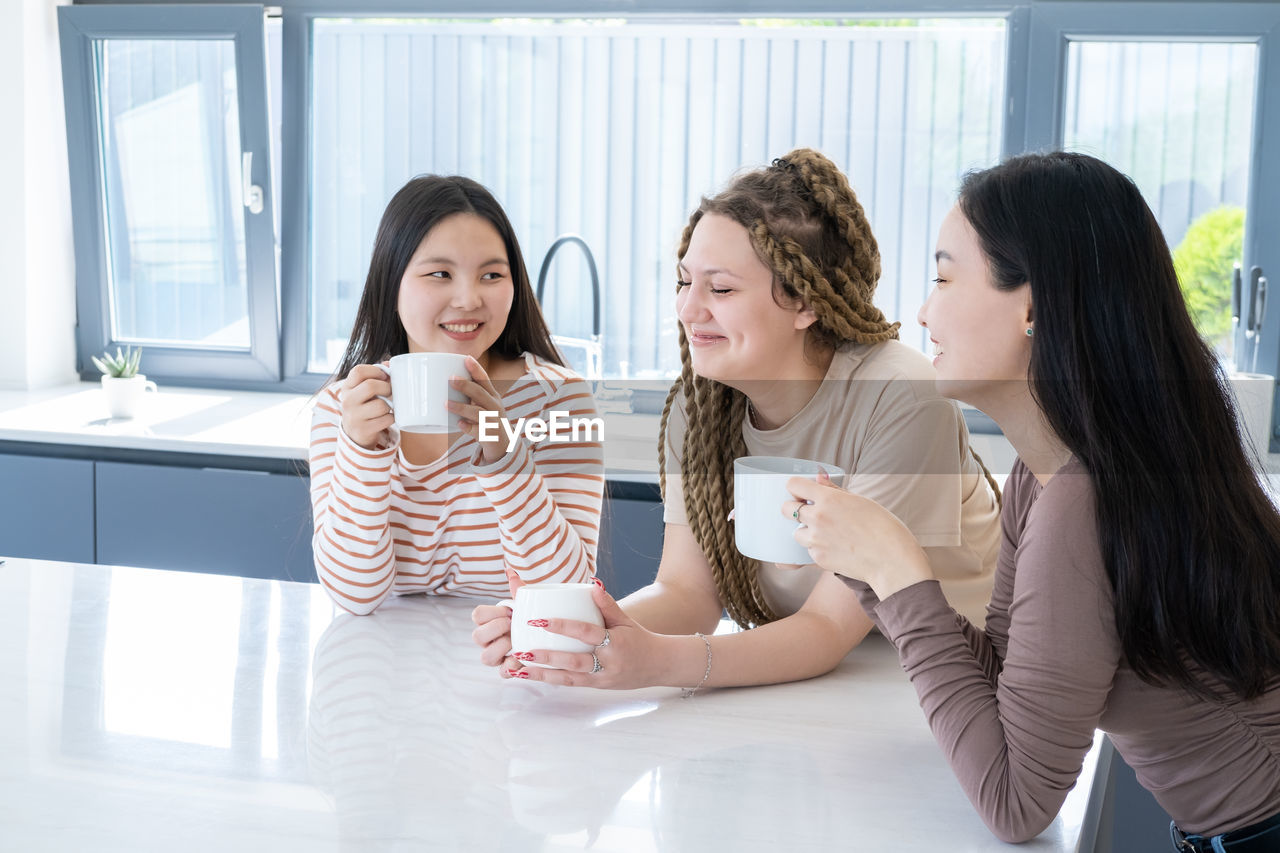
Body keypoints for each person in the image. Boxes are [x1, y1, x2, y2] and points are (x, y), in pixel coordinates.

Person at [783, 151, 1280, 847]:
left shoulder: (1084, 497)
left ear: (1035, 306)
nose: (923, 311)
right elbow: (1011, 679)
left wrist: (902, 572)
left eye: (944, 276)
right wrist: (874, 569)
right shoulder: (1048, 473)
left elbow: (1018, 803)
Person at [471, 148, 1001, 690]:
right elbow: (687, 595)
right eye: (684, 283)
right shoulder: (698, 409)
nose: (687, 309)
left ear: (804, 302)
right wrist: (566, 630)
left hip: (949, 685)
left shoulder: (900, 395)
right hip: (811, 684)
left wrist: (656, 662)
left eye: (720, 289)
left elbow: (826, 628)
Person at [310, 175, 604, 614]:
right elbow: (355, 595)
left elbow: (566, 594)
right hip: (380, 670)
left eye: (491, 275)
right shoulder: (344, 408)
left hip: (514, 669)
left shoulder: (558, 400)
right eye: (440, 274)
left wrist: (505, 460)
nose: (468, 299)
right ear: (391, 285)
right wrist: (362, 453)